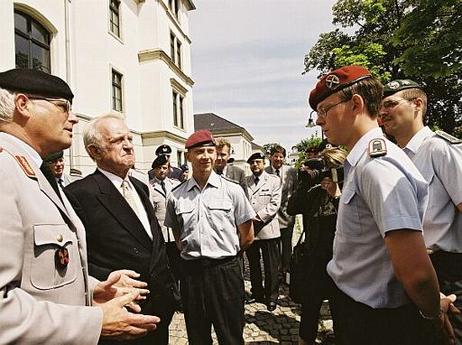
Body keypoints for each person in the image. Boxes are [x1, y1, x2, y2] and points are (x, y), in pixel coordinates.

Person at [0, 68, 159, 344]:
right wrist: (92, 322)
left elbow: (39, 279)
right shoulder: (5, 171)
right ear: (23, 105)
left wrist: (92, 288)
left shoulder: (33, 171)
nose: (73, 117)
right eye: (63, 107)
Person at [309, 65, 444, 345]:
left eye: (324, 110)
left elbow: (416, 273)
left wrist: (433, 317)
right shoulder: (363, 163)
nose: (319, 121)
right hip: (358, 310)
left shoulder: (377, 166)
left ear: (355, 104)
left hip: (376, 323)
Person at [65, 114, 177, 345]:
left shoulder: (139, 186)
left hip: (159, 306)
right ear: (94, 151)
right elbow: (76, 259)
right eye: (117, 140)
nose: (127, 145)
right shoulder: (80, 194)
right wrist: (103, 282)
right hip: (121, 312)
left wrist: (169, 288)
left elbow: (152, 241)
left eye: (129, 138)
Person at [380, 79, 462, 344]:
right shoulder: (394, 157)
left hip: (443, 271)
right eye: (381, 107)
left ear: (417, 104)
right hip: (406, 267)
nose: (383, 112)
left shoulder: (438, 148)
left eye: (391, 104)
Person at [164, 129, 255, 345]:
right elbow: (178, 235)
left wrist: (226, 254)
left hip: (225, 272)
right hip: (192, 274)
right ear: (188, 156)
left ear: (215, 155)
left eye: (209, 151)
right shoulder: (176, 196)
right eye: (199, 152)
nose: (205, 156)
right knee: (197, 336)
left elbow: (247, 236)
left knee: (231, 336)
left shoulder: (232, 191)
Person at [287, 146, 346, 345]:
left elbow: (355, 221)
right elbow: (292, 208)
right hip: (314, 261)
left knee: (341, 309)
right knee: (310, 308)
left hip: (342, 262)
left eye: (330, 168)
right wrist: (305, 183)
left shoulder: (349, 191)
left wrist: (336, 195)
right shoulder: (313, 192)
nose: (326, 173)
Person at [244, 152, 282, 311]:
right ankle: (257, 292)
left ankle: (272, 296)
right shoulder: (246, 181)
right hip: (251, 230)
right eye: (252, 163)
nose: (255, 166)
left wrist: (258, 217)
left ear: (264, 163)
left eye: (258, 162)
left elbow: (274, 204)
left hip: (268, 228)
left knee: (271, 265)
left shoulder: (274, 180)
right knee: (253, 264)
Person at [264, 145, 297, 284]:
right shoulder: (265, 172)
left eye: (281, 156)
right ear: (270, 157)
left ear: (284, 158)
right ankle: (275, 272)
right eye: (275, 156)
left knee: (287, 246)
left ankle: (286, 271)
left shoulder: (291, 171)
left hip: (287, 215)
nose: (278, 159)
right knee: (273, 247)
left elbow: (295, 191)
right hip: (272, 217)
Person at [149, 154, 182, 285]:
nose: (162, 171)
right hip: (161, 235)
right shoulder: (149, 187)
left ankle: (180, 295)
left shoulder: (175, 185)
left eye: (164, 167)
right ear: (154, 170)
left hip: (175, 235)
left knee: (178, 266)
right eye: (159, 168)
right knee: (164, 268)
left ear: (168, 169)